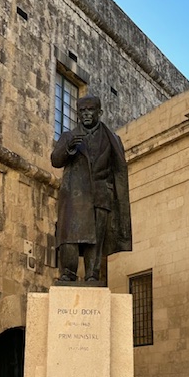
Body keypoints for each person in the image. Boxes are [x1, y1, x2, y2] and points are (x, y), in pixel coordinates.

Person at [51, 95, 132, 282]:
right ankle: (68, 272)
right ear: (78, 114)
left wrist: (114, 195)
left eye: (90, 110)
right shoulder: (68, 137)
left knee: (96, 238)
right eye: (82, 111)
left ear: (99, 112)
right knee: (69, 236)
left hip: (101, 195)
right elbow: (55, 160)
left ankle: (92, 274)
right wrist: (68, 148)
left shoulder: (113, 139)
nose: (86, 114)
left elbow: (118, 170)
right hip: (75, 196)